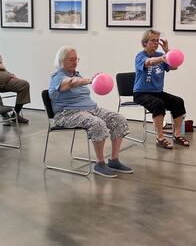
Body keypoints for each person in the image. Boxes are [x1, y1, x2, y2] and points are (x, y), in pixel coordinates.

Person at [48, 46, 134, 178]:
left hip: (92, 109)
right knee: (97, 123)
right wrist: (89, 80)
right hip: (68, 113)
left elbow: (76, 80)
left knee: (118, 119)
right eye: (71, 59)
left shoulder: (77, 74)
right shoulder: (57, 76)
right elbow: (71, 83)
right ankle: (99, 164)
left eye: (76, 59)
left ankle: (114, 160)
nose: (75, 62)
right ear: (61, 61)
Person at [132, 30, 188, 149]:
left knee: (178, 101)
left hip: (157, 92)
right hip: (141, 93)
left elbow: (174, 66)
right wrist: (162, 58)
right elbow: (148, 62)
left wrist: (167, 51)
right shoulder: (140, 56)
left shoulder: (161, 55)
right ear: (145, 43)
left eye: (157, 41)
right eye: (153, 40)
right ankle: (160, 138)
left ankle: (177, 135)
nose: (156, 43)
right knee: (158, 104)